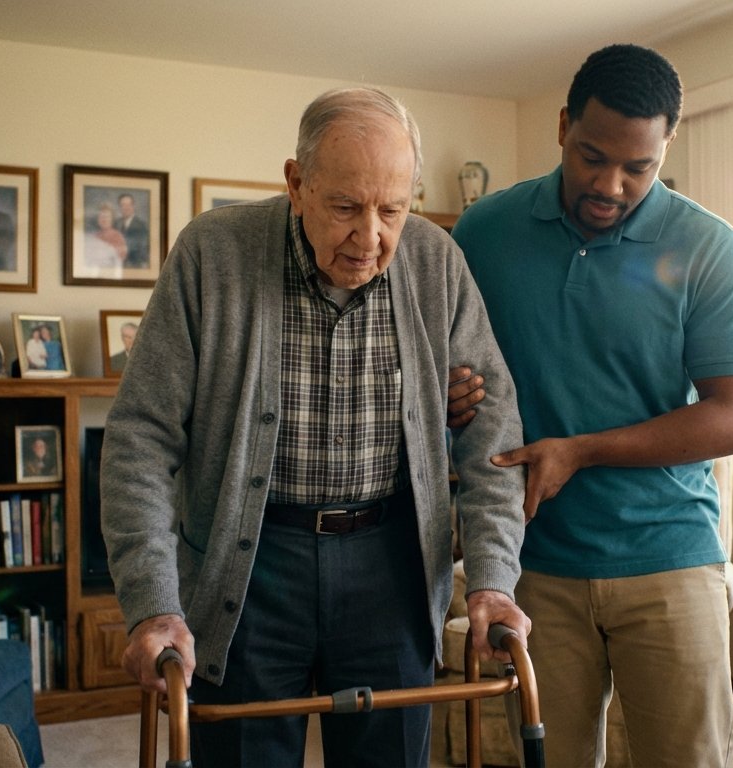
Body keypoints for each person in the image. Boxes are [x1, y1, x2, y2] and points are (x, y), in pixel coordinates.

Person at [100, 87, 530, 767]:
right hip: (248, 563)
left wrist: (492, 580)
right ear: (296, 184)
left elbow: (493, 436)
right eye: (345, 208)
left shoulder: (434, 261)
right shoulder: (212, 254)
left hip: (391, 562)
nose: (370, 238)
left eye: (392, 210)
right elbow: (140, 440)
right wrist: (153, 602)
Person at [450, 44, 733, 767]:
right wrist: (447, 394)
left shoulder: (710, 248)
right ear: (563, 124)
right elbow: (440, 366)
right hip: (534, 565)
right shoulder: (482, 233)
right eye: (593, 156)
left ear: (667, 147)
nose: (611, 184)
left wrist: (582, 449)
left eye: (638, 167)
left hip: (672, 561)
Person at [85, 202, 128, 270]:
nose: (104, 219)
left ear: (112, 219)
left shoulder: (118, 236)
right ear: (98, 219)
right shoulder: (95, 236)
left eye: (107, 217)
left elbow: (120, 259)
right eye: (101, 216)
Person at [116, 193, 149, 268]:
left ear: (133, 206)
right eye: (123, 205)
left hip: (135, 265)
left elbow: (142, 250)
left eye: (129, 205)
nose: (126, 208)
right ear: (119, 207)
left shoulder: (142, 226)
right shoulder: (116, 224)